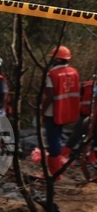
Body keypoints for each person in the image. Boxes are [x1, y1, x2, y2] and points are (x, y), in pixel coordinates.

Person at [40, 45, 80, 179]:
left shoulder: (52, 74)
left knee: (53, 141)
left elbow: (50, 95)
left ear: (56, 60)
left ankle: (54, 173)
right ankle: (56, 171)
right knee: (57, 138)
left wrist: (41, 111)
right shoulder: (74, 72)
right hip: (65, 111)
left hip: (52, 112)